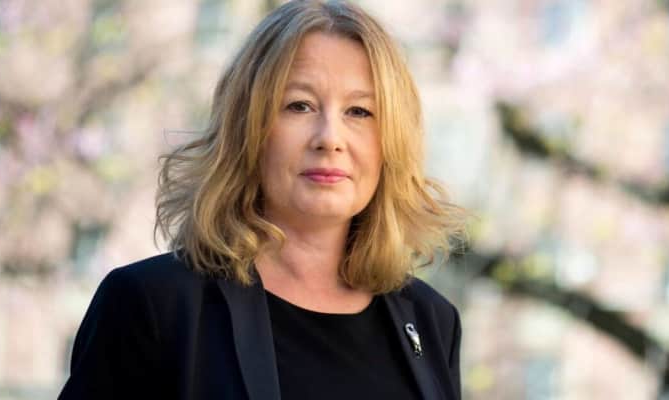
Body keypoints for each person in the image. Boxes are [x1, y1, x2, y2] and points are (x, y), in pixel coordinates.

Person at [58, 1, 467, 399]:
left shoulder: (431, 320)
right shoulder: (152, 304)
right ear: (248, 129)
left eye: (359, 111)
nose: (330, 138)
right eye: (299, 106)